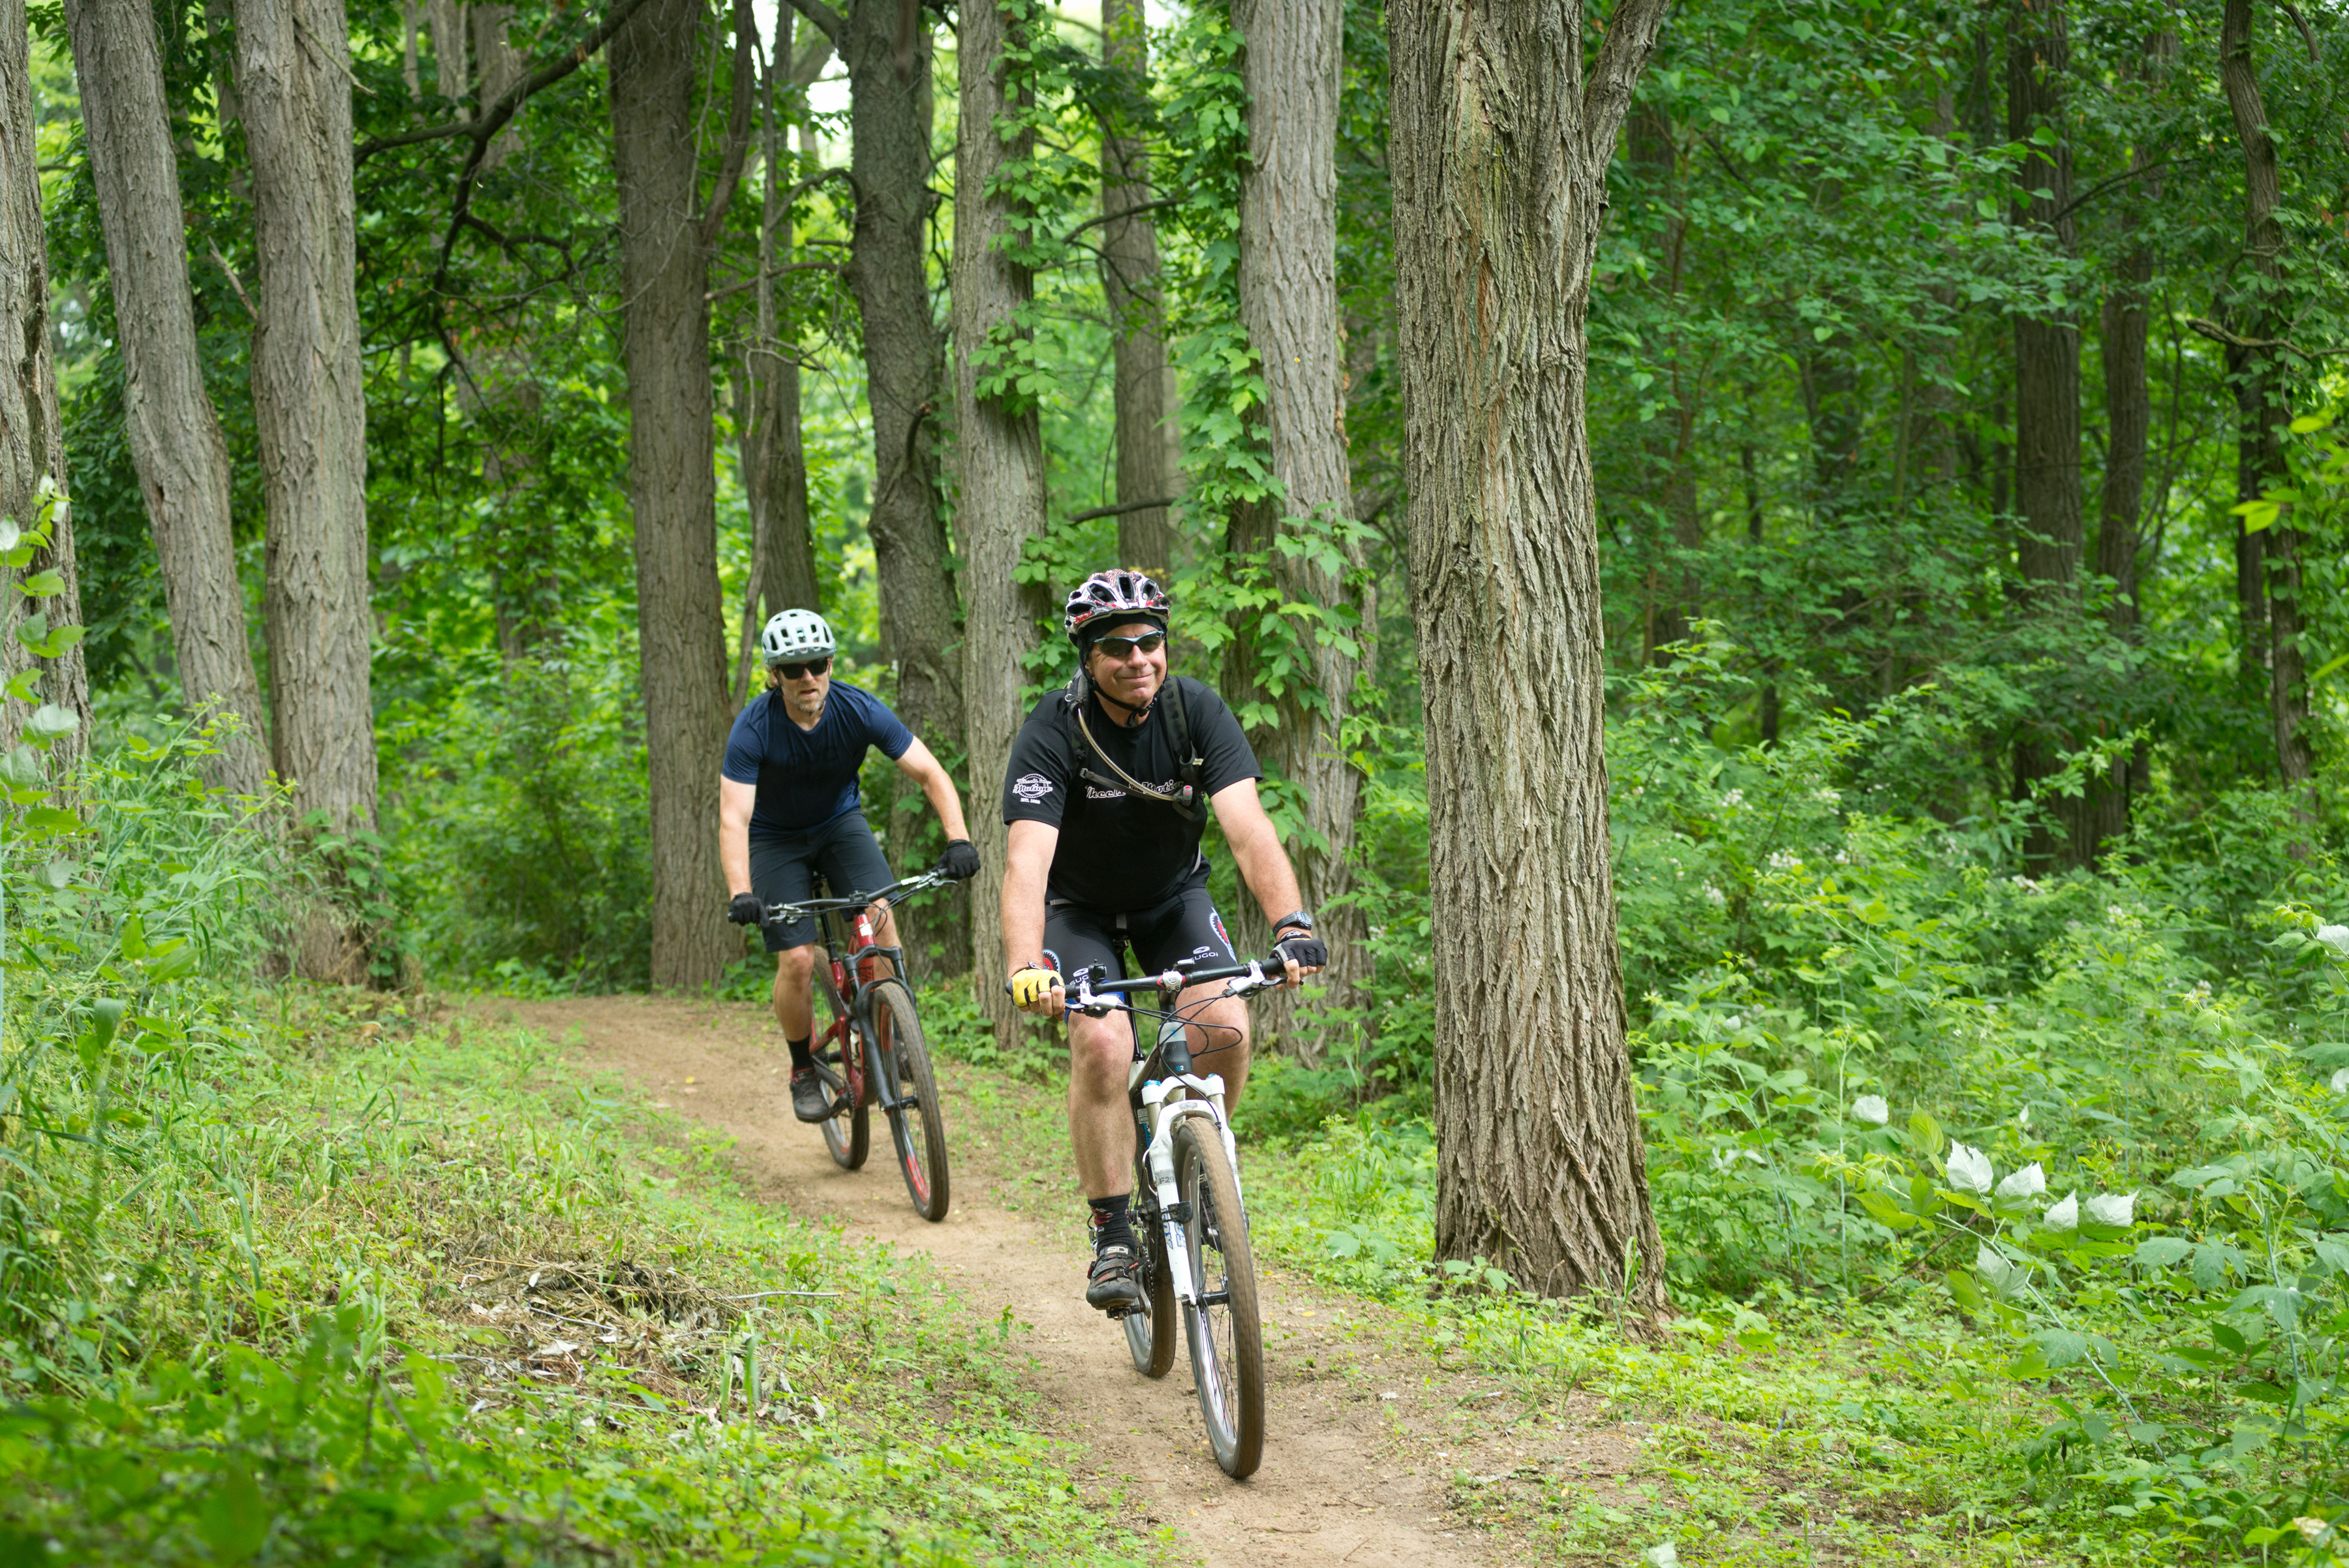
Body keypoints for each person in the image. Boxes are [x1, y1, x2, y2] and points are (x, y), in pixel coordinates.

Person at [997, 570, 1328, 1314]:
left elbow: (1248, 829)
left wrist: (1292, 924)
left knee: (1226, 1027)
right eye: (1117, 647)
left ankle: (1201, 1169)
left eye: (1151, 641)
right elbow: (1026, 862)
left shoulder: (1196, 711)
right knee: (1105, 1046)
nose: (1139, 658)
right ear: (1087, 656)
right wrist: (1025, 964)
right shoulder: (1054, 729)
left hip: (1170, 899)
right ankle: (1114, 1232)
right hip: (1076, 909)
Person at [722, 609, 981, 1122]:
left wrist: (959, 839)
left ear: (831, 663)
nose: (808, 678)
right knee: (797, 959)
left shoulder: (858, 709)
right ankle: (802, 1069)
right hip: (775, 839)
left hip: (840, 824)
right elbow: (734, 817)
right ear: (775, 675)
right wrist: (740, 891)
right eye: (793, 669)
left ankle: (894, 1028)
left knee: (880, 915)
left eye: (816, 664)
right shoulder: (753, 728)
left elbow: (930, 772)